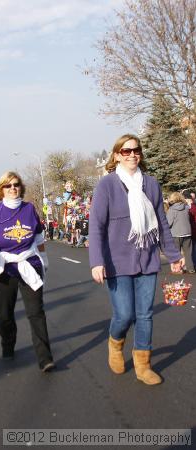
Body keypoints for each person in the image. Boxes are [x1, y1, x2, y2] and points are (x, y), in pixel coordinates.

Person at [89, 134, 184, 386]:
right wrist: (96, 261)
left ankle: (143, 365)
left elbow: (161, 223)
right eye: (126, 151)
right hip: (116, 261)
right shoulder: (107, 185)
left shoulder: (151, 184)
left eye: (136, 150)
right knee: (124, 315)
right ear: (117, 155)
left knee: (145, 315)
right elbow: (96, 226)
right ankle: (115, 342)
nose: (132, 155)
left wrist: (174, 256)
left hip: (148, 259)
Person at [0, 171, 55, 372]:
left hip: (29, 264)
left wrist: (44, 259)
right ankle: (8, 345)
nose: (12, 188)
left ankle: (45, 358)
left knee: (36, 312)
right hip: (4, 266)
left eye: (16, 184)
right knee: (5, 312)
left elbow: (38, 237)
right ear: (1, 190)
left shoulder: (29, 209)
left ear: (21, 187)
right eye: (7, 185)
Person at [166, 192, 194, 273]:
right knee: (188, 253)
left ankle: (178, 269)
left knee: (176, 253)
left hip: (176, 234)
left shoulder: (172, 210)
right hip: (187, 233)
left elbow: (168, 223)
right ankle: (190, 268)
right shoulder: (186, 208)